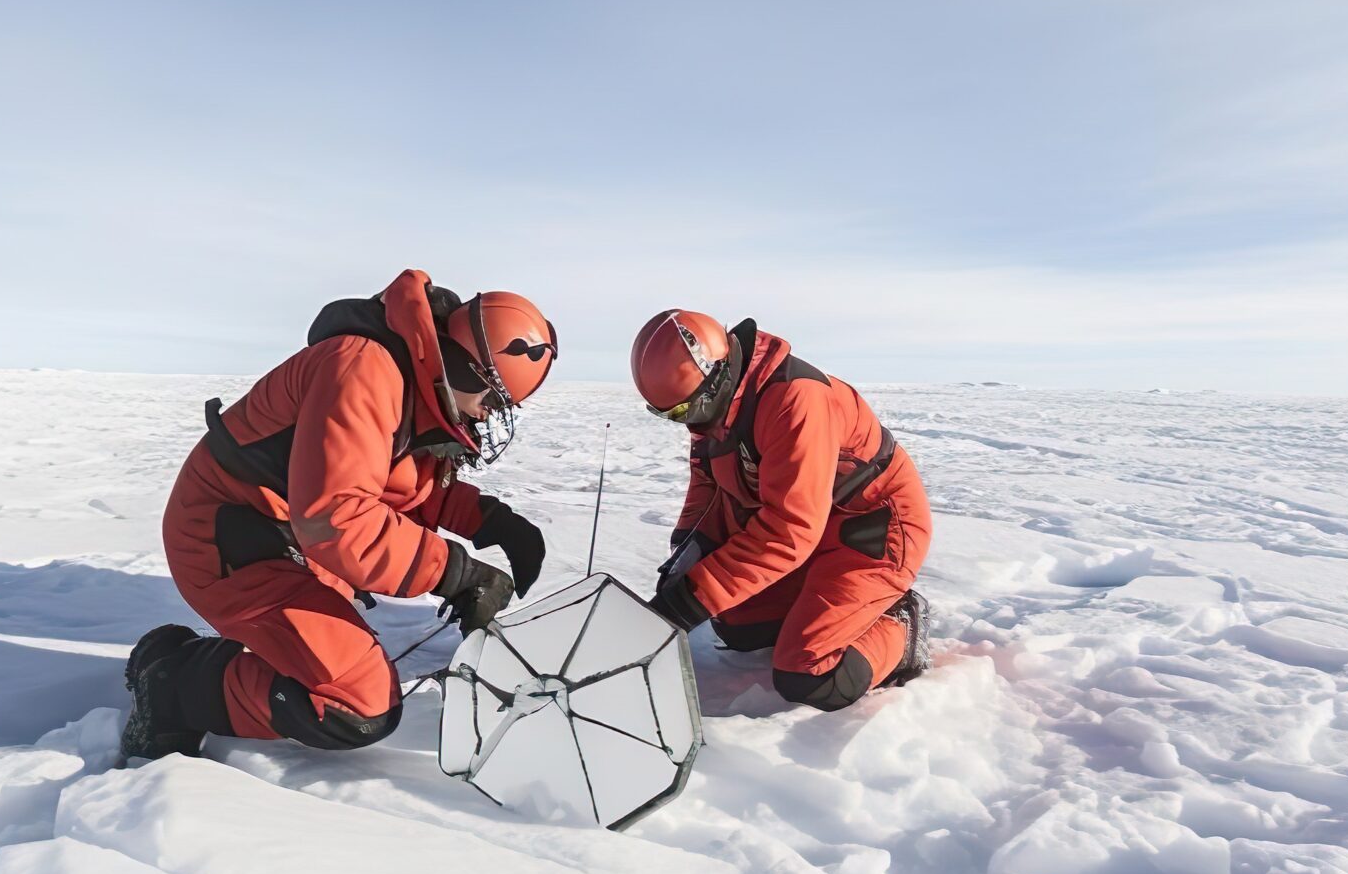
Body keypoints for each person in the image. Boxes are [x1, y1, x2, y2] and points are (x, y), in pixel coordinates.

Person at [119, 269, 558, 762]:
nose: (487, 415)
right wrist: (456, 573)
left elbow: (398, 482)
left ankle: (224, 663)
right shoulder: (363, 369)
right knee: (355, 703)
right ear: (465, 370)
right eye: (493, 400)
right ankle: (174, 687)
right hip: (226, 536)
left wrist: (490, 519)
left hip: (289, 539)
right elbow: (338, 519)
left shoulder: (409, 380)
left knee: (342, 666)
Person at [632, 308, 931, 710]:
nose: (686, 425)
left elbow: (789, 528)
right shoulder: (714, 411)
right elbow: (707, 481)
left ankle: (900, 625)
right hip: (812, 533)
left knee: (809, 674)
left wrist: (689, 599)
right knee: (737, 625)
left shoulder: (795, 399)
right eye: (667, 415)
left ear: (716, 377)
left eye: (684, 411)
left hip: (871, 532)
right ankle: (825, 609)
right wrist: (688, 548)